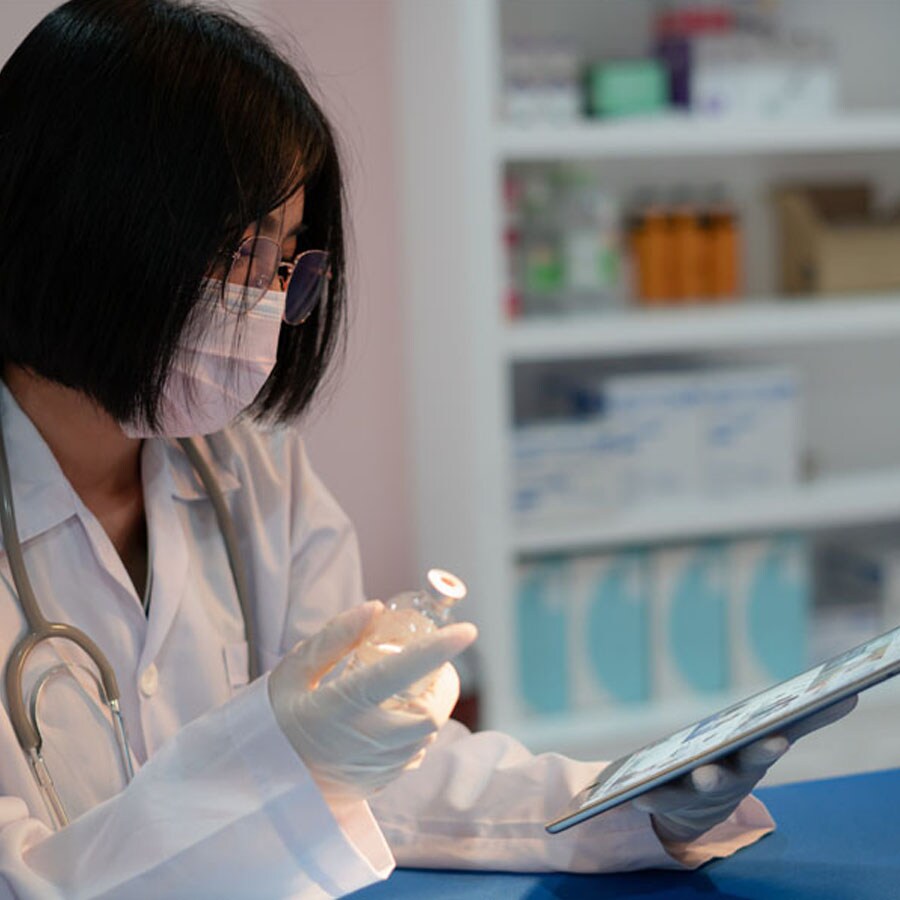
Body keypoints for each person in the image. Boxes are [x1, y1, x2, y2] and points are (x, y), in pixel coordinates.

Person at [0, 2, 855, 897]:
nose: (266, 304)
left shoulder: (248, 470)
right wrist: (277, 753)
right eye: (237, 251)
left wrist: (632, 802)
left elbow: (379, 776)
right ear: (84, 223)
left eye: (286, 261)